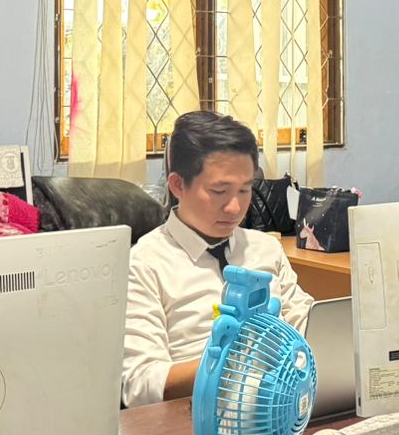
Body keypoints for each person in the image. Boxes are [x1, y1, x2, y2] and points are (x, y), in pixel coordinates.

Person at [122, 111, 312, 408]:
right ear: (177, 185)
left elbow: (310, 326)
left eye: (245, 190)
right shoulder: (144, 264)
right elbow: (140, 383)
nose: (235, 207)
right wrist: (227, 364)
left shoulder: (265, 248)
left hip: (281, 409)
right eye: (219, 191)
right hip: (192, 417)